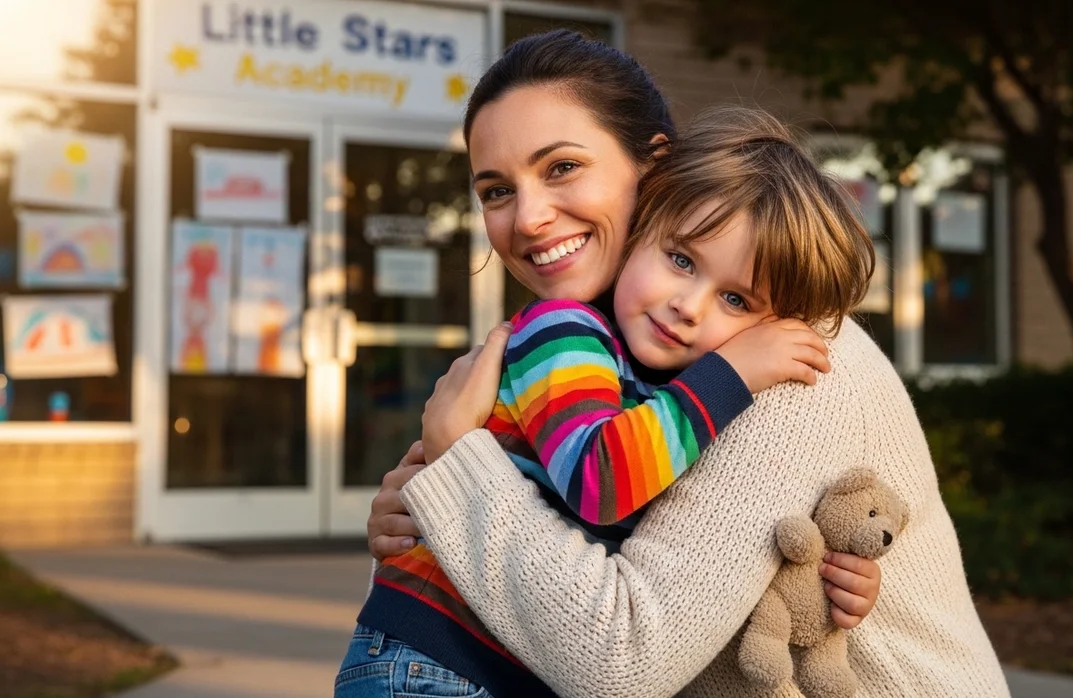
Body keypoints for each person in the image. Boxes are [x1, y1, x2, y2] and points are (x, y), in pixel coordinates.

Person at [367, 30, 1009, 698]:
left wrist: (459, 463)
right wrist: (431, 505)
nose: (527, 218)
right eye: (497, 191)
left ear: (656, 168)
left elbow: (620, 660)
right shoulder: (614, 345)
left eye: (561, 167)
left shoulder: (789, 348)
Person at [342, 104, 873, 698]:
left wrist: (826, 577)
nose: (689, 305)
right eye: (680, 260)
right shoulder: (564, 333)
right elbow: (601, 481)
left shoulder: (666, 390)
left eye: (736, 300)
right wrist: (730, 373)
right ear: (643, 226)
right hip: (435, 664)